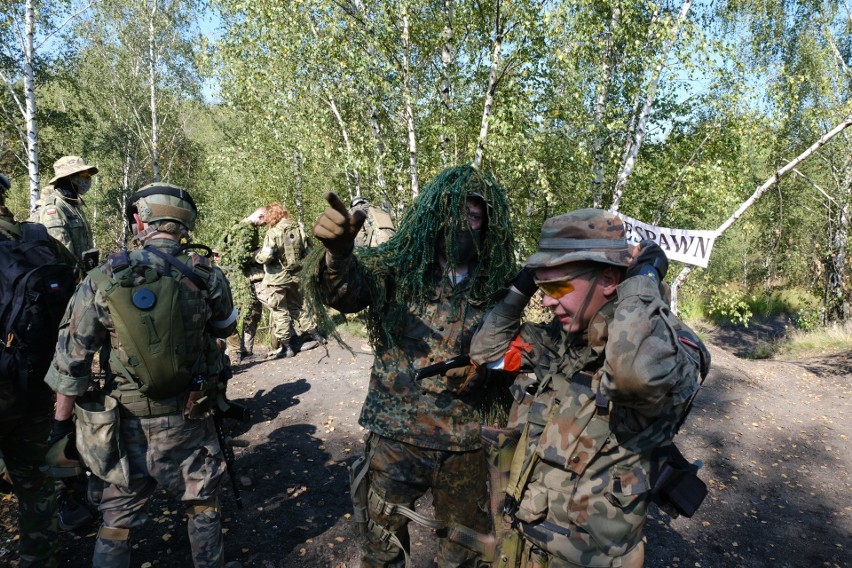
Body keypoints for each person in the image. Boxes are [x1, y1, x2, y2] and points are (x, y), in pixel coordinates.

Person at [468, 209, 710, 568]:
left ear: (610, 280)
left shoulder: (670, 345)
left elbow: (633, 376)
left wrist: (644, 279)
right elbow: (484, 350)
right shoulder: (563, 339)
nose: (546, 301)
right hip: (523, 545)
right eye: (541, 287)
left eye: (556, 287)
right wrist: (522, 285)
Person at [306, 164, 517, 567]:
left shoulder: (499, 284)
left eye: (474, 216)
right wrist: (338, 256)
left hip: (465, 443)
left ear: (488, 223)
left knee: (465, 553)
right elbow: (347, 295)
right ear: (433, 216)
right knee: (381, 547)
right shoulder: (397, 267)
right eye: (454, 213)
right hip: (396, 438)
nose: (463, 224)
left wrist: (492, 368)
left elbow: (514, 350)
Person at [44, 183, 238, 567]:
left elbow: (71, 362)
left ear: (139, 221)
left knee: (116, 519)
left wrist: (60, 426)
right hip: (188, 416)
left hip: (124, 424)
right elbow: (224, 329)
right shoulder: (207, 275)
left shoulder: (101, 278)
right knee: (202, 506)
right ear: (185, 225)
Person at [0, 171, 77, 567]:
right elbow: (74, 283)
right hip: (32, 380)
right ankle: (40, 557)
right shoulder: (36, 238)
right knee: (35, 481)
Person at [255, 201, 322, 358]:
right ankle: (317, 335)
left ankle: (288, 348)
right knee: (298, 307)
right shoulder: (299, 229)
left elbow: (266, 256)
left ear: (272, 216)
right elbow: (310, 251)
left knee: (280, 311)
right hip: (295, 277)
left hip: (276, 279)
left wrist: (257, 257)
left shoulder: (273, 233)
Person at [30, 155, 99, 270]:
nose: (88, 179)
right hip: (71, 281)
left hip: (86, 277)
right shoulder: (54, 209)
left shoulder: (74, 205)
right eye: (84, 174)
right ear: (69, 177)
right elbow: (62, 256)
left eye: (88, 175)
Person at [220, 207, 267, 362]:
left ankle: (245, 351)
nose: (264, 225)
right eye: (264, 221)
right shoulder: (246, 229)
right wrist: (259, 253)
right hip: (240, 279)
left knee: (251, 314)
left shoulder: (240, 227)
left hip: (236, 278)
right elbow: (240, 257)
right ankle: (239, 352)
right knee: (248, 312)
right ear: (260, 216)